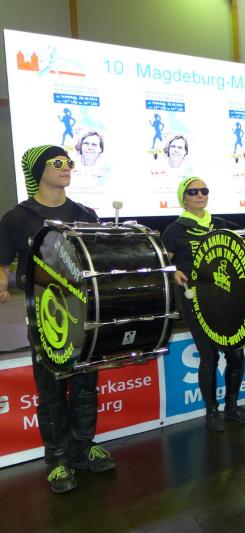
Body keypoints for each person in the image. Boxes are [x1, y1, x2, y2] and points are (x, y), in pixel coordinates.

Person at [0, 145, 114, 493]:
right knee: (51, 390)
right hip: (46, 319)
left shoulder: (85, 213)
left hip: (84, 315)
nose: (67, 167)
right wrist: (1, 282)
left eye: (69, 162)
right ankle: (59, 460)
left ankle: (83, 448)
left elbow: (99, 259)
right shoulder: (18, 217)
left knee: (85, 386)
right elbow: (1, 263)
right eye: (58, 162)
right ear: (39, 171)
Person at [161, 177, 245, 431]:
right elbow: (164, 263)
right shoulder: (174, 230)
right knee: (209, 355)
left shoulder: (220, 225)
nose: (200, 195)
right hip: (195, 301)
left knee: (235, 353)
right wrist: (173, 271)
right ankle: (212, 411)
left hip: (225, 298)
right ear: (183, 198)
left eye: (204, 190)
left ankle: (232, 406)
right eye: (193, 192)